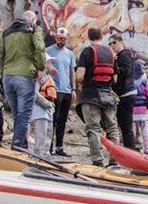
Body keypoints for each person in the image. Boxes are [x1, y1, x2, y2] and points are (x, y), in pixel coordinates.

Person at [0, 11, 47, 150]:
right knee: (24, 115)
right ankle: (18, 146)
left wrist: (1, 72)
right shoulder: (34, 29)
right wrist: (40, 67)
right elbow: (39, 47)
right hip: (25, 74)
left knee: (16, 114)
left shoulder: (7, 32)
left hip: (8, 77)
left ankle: (21, 143)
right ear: (33, 20)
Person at [74, 27, 121, 166]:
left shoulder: (87, 52)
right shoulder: (111, 53)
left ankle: (97, 160)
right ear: (102, 36)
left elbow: (80, 76)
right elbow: (116, 78)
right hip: (108, 95)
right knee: (112, 128)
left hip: (91, 95)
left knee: (93, 129)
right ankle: (114, 160)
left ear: (89, 37)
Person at [46, 27, 75, 156]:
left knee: (62, 120)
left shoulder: (70, 53)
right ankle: (49, 146)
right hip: (54, 89)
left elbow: (71, 71)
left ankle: (59, 146)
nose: (62, 40)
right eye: (59, 38)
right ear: (55, 37)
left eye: (64, 39)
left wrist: (73, 88)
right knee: (53, 119)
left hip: (67, 90)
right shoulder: (48, 51)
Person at [110, 35, 138, 149]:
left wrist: (114, 67)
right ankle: (129, 149)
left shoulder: (124, 56)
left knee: (126, 126)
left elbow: (124, 73)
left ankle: (130, 150)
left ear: (121, 42)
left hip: (126, 94)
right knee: (124, 125)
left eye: (114, 42)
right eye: (110, 43)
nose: (112, 45)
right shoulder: (123, 55)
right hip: (125, 93)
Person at [31, 59, 57, 157]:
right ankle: (38, 153)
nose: (51, 64)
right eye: (49, 62)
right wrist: (46, 103)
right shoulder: (38, 77)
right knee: (41, 132)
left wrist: (51, 104)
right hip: (41, 109)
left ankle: (46, 153)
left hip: (49, 108)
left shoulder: (48, 77)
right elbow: (35, 94)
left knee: (48, 132)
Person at [131, 62, 148, 155]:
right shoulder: (144, 80)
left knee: (132, 130)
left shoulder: (129, 80)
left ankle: (131, 148)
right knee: (145, 130)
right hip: (142, 110)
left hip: (132, 109)